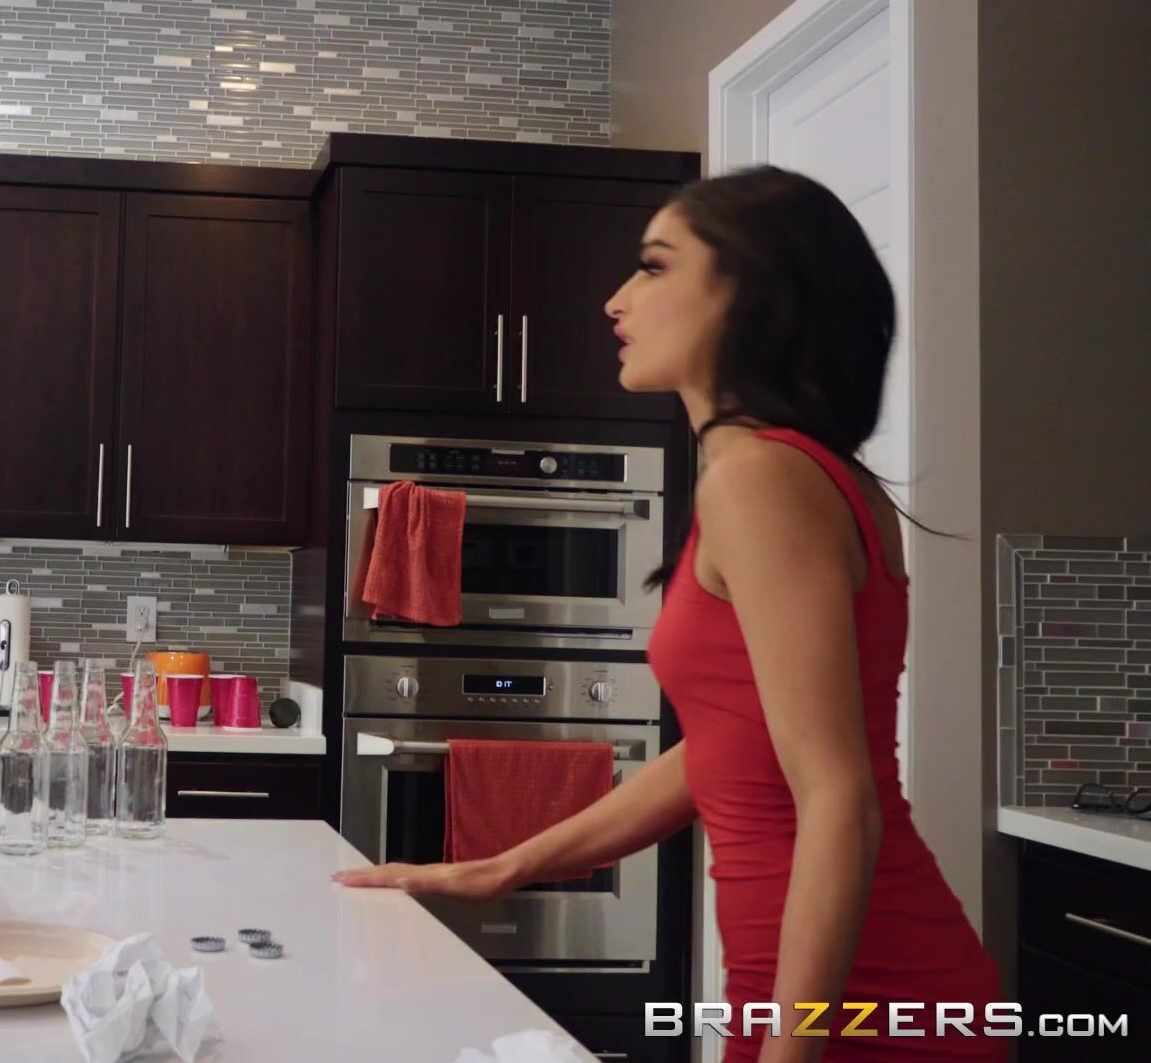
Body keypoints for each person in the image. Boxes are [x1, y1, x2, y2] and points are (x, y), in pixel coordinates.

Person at [334, 166, 1003, 1062]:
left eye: (654, 267)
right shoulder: (796, 474)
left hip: (863, 1008)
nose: (616, 300)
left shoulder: (760, 479)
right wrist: (503, 867)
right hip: (818, 997)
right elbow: (727, 746)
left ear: (750, 293)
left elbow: (839, 796)